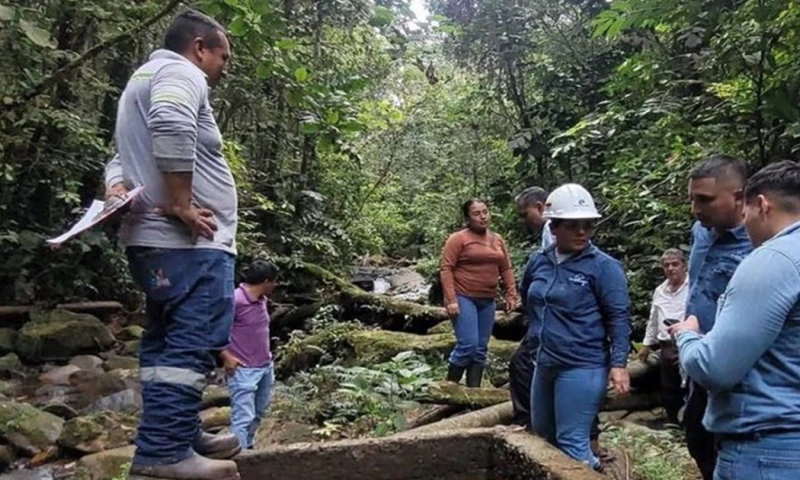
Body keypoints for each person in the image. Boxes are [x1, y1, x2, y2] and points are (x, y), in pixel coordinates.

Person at [104, 9, 240, 480]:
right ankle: (164, 453)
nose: (224, 67)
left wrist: (114, 188)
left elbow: (120, 157)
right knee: (192, 343)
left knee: (164, 342)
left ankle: (178, 432)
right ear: (200, 47)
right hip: (188, 246)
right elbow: (171, 121)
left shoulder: (142, 77)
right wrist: (183, 202)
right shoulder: (180, 73)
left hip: (154, 244)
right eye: (223, 56)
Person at [669, 160, 800, 480]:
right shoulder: (703, 235)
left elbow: (715, 367)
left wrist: (686, 336)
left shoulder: (772, 259)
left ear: (760, 205)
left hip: (767, 446)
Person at [525, 183, 631, 472]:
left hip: (583, 363)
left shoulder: (603, 267)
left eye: (588, 226)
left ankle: (586, 468)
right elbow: (530, 301)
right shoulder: (539, 262)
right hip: (545, 361)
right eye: (573, 226)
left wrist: (619, 364)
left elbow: (619, 317)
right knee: (543, 435)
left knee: (572, 442)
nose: (582, 232)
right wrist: (534, 338)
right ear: (554, 227)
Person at [680, 155, 752, 480]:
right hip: (697, 356)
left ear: (740, 197)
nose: (696, 209)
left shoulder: (759, 246)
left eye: (705, 200)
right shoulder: (701, 231)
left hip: (736, 367)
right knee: (696, 435)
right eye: (693, 199)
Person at [440, 199, 518, 387]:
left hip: (487, 300)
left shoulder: (497, 239)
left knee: (481, 349)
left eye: (485, 212)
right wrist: (451, 300)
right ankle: (447, 388)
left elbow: (506, 268)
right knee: (468, 345)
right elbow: (446, 268)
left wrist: (511, 294)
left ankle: (472, 394)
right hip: (463, 296)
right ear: (467, 217)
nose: (483, 217)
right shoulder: (458, 239)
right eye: (476, 213)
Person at [221, 260, 279, 451]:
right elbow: (212, 329)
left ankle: (248, 447)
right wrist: (225, 356)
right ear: (266, 281)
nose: (276, 286)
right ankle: (239, 457)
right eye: (274, 282)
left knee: (259, 412)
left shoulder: (262, 299)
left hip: (264, 365)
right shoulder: (235, 300)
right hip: (242, 369)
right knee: (243, 417)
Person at [510, 186, 551, 427]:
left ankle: (527, 420)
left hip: (551, 318)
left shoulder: (552, 230)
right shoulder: (552, 231)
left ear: (539, 207)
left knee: (522, 363)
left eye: (525, 214)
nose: (524, 221)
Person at [638, 248, 689, 425]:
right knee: (670, 387)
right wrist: (646, 345)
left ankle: (690, 426)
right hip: (666, 345)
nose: (671, 268)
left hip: (689, 343)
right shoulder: (660, 290)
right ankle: (673, 423)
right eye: (666, 265)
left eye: (675, 264)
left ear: (684, 265)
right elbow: (653, 319)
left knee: (691, 386)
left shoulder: (694, 286)